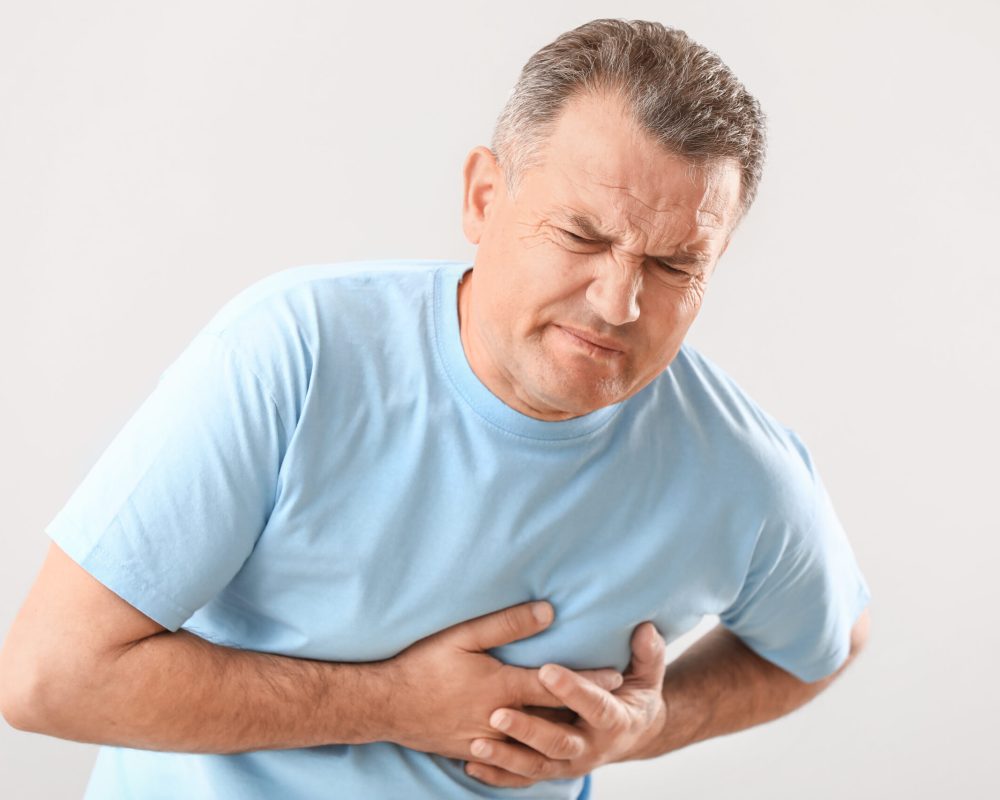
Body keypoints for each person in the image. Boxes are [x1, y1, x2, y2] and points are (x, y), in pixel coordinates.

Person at [0, 18, 871, 799]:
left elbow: (828, 642)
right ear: (484, 199)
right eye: (582, 236)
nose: (619, 302)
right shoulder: (294, 352)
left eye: (675, 266)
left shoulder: (742, 472)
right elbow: (48, 678)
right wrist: (394, 703)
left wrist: (649, 726)